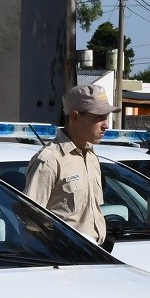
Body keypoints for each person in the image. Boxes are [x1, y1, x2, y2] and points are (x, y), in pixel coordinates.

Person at [23, 84, 113, 244]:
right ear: (75, 117)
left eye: (105, 117)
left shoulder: (91, 156)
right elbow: (30, 221)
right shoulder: (49, 160)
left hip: (95, 253)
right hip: (66, 255)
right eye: (98, 117)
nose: (105, 125)